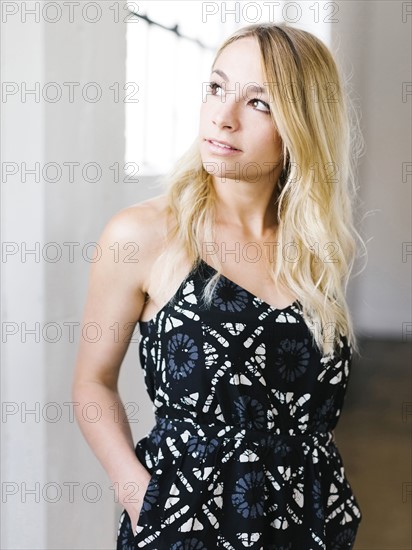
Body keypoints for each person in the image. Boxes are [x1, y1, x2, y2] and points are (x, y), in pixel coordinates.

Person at [72, 22, 366, 550]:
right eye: (216, 87)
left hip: (307, 528)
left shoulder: (313, 248)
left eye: (259, 103)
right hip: (187, 528)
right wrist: (143, 499)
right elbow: (91, 384)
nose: (222, 117)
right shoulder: (144, 235)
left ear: (302, 127)